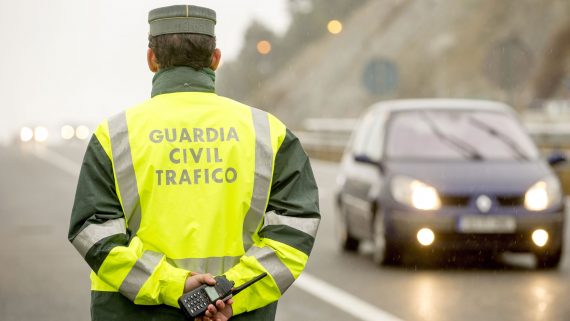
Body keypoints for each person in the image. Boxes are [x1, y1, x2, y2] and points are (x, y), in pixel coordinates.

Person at [67, 4, 320, 321]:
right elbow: (293, 234)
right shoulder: (269, 134)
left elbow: (94, 235)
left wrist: (177, 286)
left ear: (151, 60)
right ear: (215, 59)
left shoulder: (114, 136)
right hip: (234, 313)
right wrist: (223, 296)